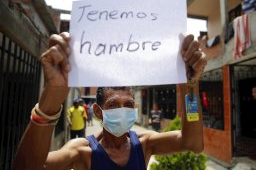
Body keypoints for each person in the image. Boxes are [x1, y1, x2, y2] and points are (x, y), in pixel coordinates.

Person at [12, 32, 207, 170]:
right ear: (98, 112)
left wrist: (190, 86)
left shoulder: (144, 143)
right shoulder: (82, 151)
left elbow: (193, 143)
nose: (123, 110)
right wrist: (51, 97)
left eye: (129, 105)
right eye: (113, 104)